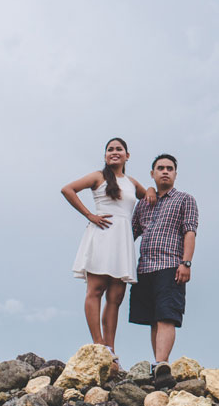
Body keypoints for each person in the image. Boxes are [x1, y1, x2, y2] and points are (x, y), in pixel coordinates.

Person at [61, 137, 155, 367]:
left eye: (119, 149)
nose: (114, 152)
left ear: (127, 155)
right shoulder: (98, 176)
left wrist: (151, 188)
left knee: (116, 297)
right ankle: (98, 345)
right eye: (110, 150)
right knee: (95, 290)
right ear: (105, 156)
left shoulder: (131, 182)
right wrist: (90, 215)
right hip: (102, 234)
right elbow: (68, 189)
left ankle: (111, 350)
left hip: (122, 241)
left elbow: (148, 195)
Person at [129, 153, 198, 386]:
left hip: (171, 265)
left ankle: (161, 362)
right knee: (153, 319)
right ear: (153, 173)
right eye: (160, 168)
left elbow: (190, 231)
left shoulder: (185, 200)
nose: (165, 171)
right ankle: (159, 364)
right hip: (145, 267)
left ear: (176, 174)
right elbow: (131, 234)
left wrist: (186, 262)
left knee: (167, 315)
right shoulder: (143, 204)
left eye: (170, 168)